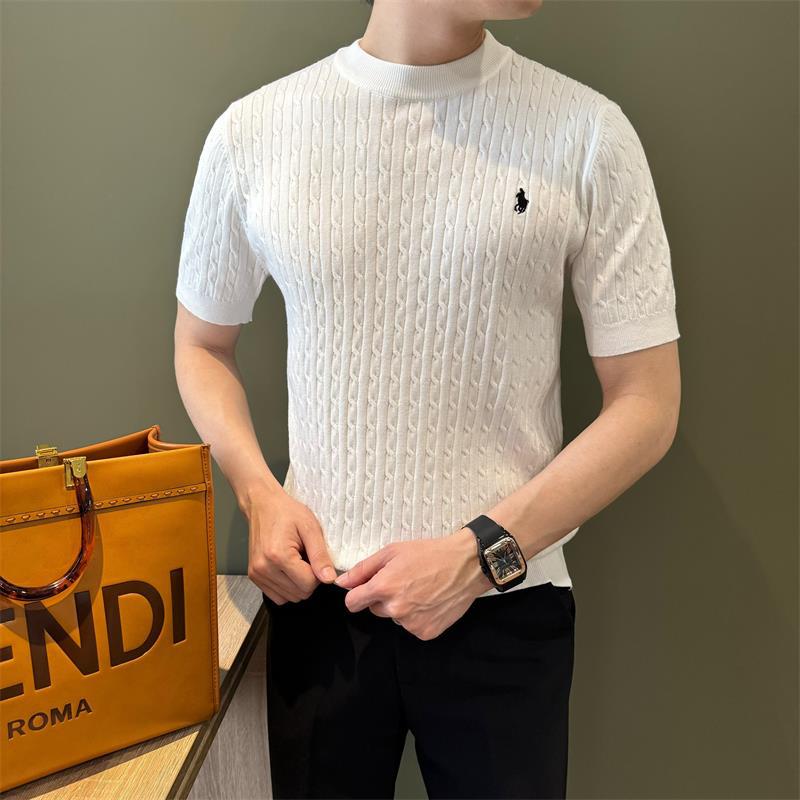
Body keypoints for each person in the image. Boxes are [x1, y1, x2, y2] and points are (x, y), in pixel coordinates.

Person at [173, 0, 682, 796]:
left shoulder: (586, 132)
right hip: (319, 600)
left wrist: (480, 555)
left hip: (508, 600)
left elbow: (647, 403)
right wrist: (257, 491)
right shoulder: (256, 131)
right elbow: (202, 343)